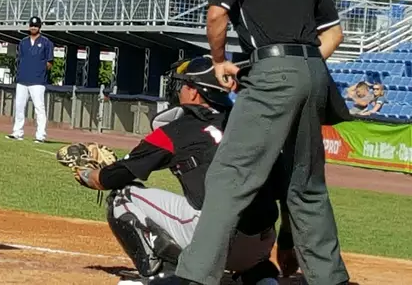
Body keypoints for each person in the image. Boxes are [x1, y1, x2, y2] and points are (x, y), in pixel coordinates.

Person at [155, 0, 349, 285]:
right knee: (306, 185)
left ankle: (194, 277)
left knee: (229, 176)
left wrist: (224, 62)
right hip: (313, 71)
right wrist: (299, 68)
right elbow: (334, 34)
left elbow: (216, 17)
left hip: (273, 71)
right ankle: (331, 279)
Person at [72, 56, 285, 285]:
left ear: (193, 92)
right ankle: (259, 279)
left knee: (122, 197)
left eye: (182, 85)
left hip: (214, 242)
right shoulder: (247, 124)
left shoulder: (178, 129)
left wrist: (87, 175)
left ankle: (165, 276)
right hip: (262, 242)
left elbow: (114, 177)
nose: (178, 91)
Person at [6, 16, 54, 143]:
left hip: (38, 80)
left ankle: (40, 135)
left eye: (36, 26)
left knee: (39, 108)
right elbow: (20, 58)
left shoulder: (46, 42)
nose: (33, 28)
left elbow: (50, 62)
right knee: (19, 107)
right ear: (29, 26)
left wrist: (41, 71)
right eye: (32, 25)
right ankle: (17, 132)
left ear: (40, 27)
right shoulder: (23, 42)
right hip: (22, 79)